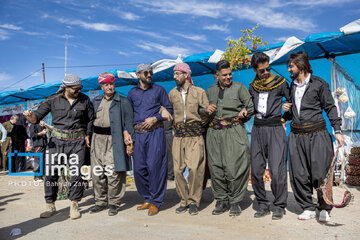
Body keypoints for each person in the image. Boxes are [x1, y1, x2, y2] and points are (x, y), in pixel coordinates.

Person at [283, 51, 344, 222]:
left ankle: (324, 207)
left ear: (301, 65)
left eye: (291, 66)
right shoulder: (292, 86)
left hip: (318, 134)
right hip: (296, 136)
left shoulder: (319, 84)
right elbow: (293, 112)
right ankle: (308, 207)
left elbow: (331, 108)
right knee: (299, 174)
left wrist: (337, 130)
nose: (289, 69)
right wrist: (285, 113)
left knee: (320, 173)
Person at [23, 74, 94, 220]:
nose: (78, 91)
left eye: (79, 88)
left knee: (76, 174)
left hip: (77, 142)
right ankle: (50, 206)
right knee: (50, 174)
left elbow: (90, 120)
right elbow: (36, 117)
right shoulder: (53, 99)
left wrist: (87, 135)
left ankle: (74, 204)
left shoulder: (85, 100)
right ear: (66, 87)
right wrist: (30, 116)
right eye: (75, 89)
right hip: (56, 142)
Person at [206, 60, 254, 216]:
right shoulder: (210, 90)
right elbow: (201, 109)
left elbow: (250, 106)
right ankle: (221, 200)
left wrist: (245, 112)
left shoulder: (239, 88)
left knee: (234, 167)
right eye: (224, 75)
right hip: (214, 133)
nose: (228, 77)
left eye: (229, 74)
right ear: (217, 75)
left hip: (233, 131)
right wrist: (204, 109)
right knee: (216, 168)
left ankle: (235, 201)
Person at [127, 63, 173, 216]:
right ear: (138, 75)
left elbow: (169, 109)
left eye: (150, 72)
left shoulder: (159, 90)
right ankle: (147, 197)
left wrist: (156, 118)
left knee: (155, 167)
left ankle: (156, 202)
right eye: (145, 72)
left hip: (155, 133)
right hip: (139, 135)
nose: (149, 75)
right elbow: (128, 115)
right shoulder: (132, 93)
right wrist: (127, 134)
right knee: (139, 169)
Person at [249, 52, 290, 220]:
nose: (266, 73)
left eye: (268, 69)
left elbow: (293, 102)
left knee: (277, 169)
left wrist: (285, 117)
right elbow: (249, 107)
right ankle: (262, 203)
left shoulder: (281, 83)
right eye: (262, 71)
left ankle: (279, 205)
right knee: (257, 170)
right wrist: (244, 112)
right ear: (255, 70)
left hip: (275, 128)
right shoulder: (252, 87)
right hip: (258, 129)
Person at [89, 72, 135, 216]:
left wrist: (128, 139)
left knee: (114, 172)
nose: (110, 87)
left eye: (112, 84)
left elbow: (129, 122)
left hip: (114, 139)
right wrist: (87, 135)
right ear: (102, 87)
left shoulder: (123, 101)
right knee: (97, 173)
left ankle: (114, 203)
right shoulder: (95, 101)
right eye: (106, 84)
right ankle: (100, 202)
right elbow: (89, 121)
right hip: (97, 139)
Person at [169, 63, 209, 215]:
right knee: (177, 170)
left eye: (178, 73)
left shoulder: (199, 92)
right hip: (178, 137)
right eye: (174, 74)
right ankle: (183, 200)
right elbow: (168, 109)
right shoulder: (172, 93)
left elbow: (207, 112)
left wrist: (198, 125)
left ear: (186, 75)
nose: (175, 77)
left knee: (194, 169)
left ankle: (193, 201)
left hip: (194, 136)